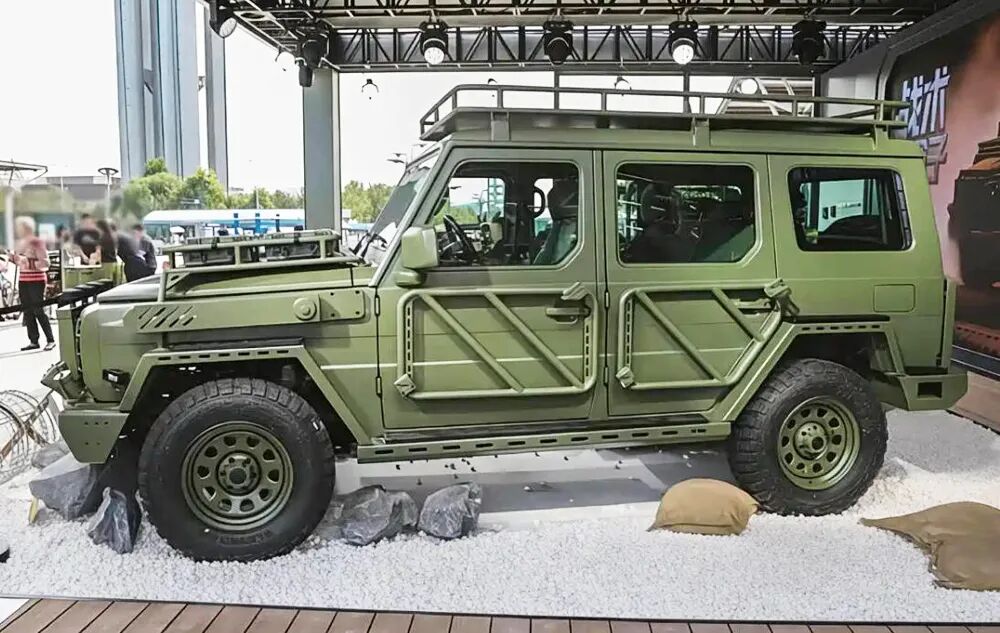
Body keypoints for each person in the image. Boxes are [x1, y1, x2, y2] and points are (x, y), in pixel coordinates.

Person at [13, 216, 55, 351]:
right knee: (27, 310)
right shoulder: (19, 243)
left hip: (36, 280)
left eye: (19, 227)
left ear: (26, 228)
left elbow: (46, 263)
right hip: (23, 279)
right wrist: (14, 258)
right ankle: (33, 340)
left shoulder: (37, 242)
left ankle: (50, 339)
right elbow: (18, 261)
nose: (17, 230)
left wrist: (28, 262)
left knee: (38, 310)